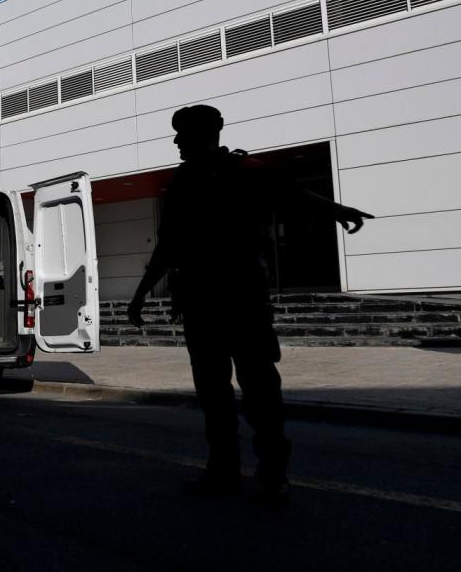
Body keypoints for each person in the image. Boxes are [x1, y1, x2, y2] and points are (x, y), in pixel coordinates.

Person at [127, 105, 373, 506]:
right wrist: (140, 294)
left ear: (209, 132)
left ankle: (264, 471)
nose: (176, 142)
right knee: (224, 393)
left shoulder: (235, 173)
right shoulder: (196, 179)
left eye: (183, 135)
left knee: (251, 391)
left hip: (232, 302)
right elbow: (169, 246)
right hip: (216, 302)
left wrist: (338, 211)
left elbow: (295, 195)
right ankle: (238, 470)